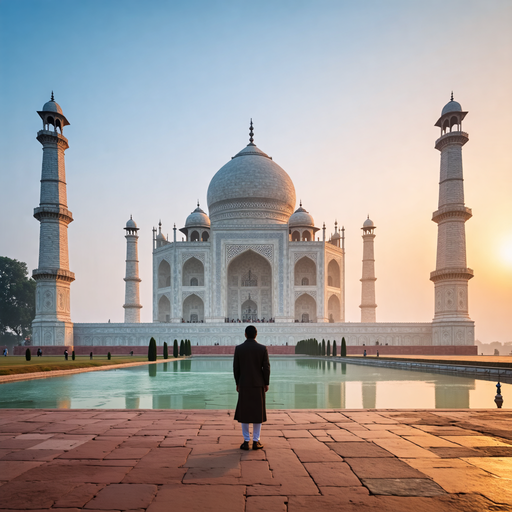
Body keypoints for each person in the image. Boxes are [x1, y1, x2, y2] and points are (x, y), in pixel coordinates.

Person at [233, 325, 270, 451]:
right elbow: (266, 368)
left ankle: (245, 441)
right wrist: (266, 382)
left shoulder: (239, 349)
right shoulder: (262, 348)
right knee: (257, 413)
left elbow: (236, 369)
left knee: (245, 413)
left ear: (245, 334)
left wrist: (238, 382)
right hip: (258, 384)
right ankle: (256, 441)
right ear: (256, 334)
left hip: (244, 384)